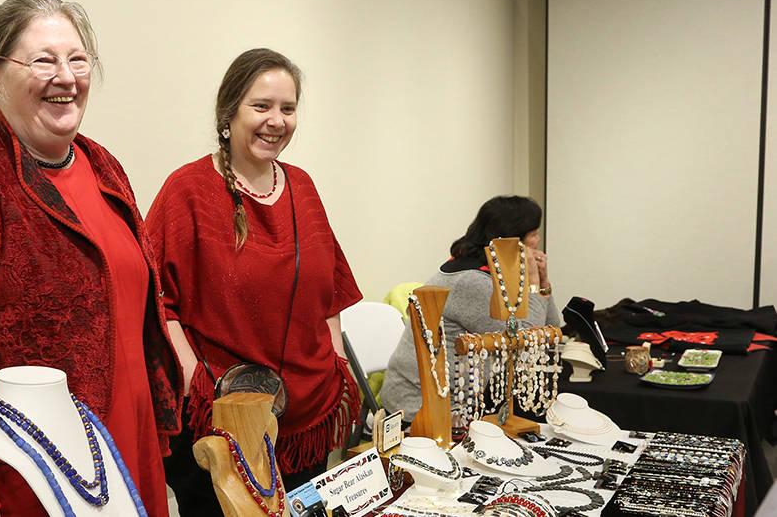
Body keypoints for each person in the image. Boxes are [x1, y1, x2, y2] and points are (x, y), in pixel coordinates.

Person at [0, 0, 181, 516]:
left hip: (116, 451)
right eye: (44, 59)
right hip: (19, 476)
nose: (66, 76)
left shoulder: (102, 165)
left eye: (78, 58)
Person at [145, 48, 362, 515]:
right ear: (228, 115)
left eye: (287, 108)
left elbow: (330, 290)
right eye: (261, 106)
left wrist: (338, 358)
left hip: (305, 416)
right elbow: (156, 297)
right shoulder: (188, 190)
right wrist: (191, 377)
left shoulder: (302, 186)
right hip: (222, 418)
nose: (276, 121)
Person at [380, 195, 560, 422]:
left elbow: (551, 328)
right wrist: (532, 280)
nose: (538, 239)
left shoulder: (494, 271)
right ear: (513, 240)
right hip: (420, 409)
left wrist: (542, 282)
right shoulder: (471, 281)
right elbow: (524, 341)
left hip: (463, 402)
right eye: (533, 234)